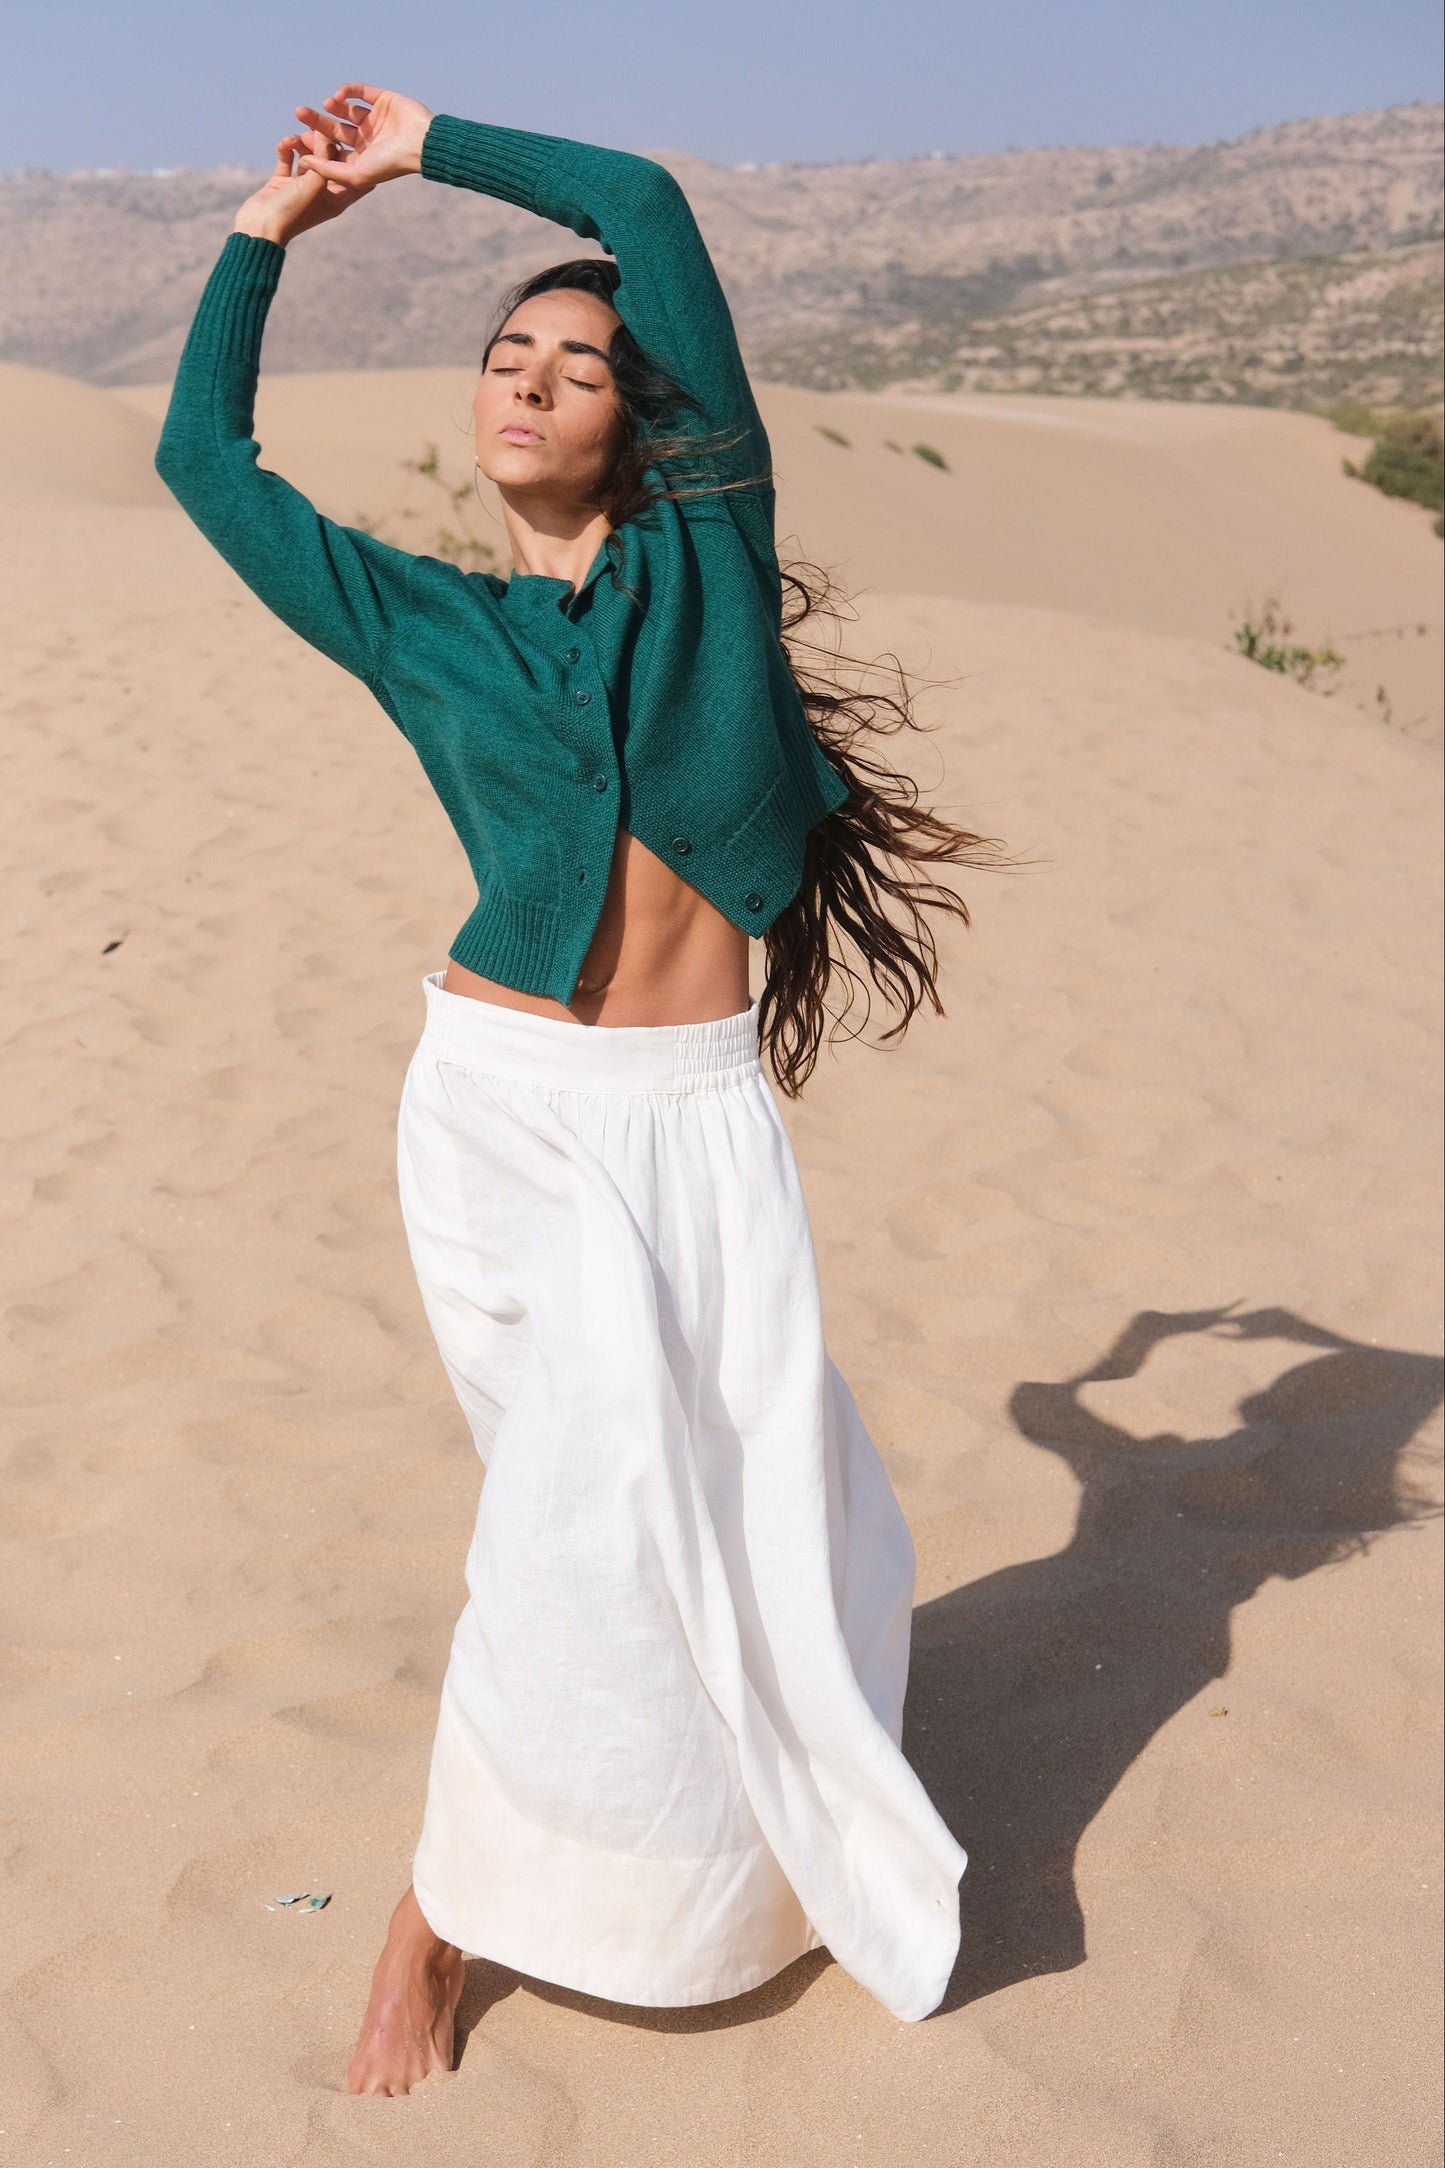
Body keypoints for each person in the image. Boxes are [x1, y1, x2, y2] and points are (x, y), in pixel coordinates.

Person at [155, 83, 1008, 2097]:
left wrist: (418, 142)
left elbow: (636, 199)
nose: (535, 383)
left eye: (577, 362)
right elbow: (204, 454)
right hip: (498, 1113)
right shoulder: (429, 625)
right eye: (503, 360)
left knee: (732, 1511)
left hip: (690, 1123)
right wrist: (267, 226)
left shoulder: (710, 552)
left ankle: (691, 1866)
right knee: (568, 1522)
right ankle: (430, 1924)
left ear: (643, 417)